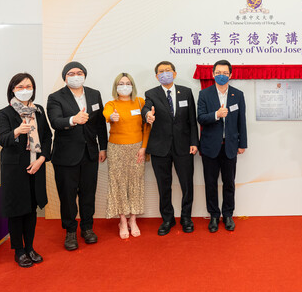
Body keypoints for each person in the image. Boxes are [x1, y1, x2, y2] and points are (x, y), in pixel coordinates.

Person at [47, 61, 108, 251]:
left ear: (84, 75)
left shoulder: (94, 94)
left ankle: (87, 228)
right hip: (66, 156)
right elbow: (56, 121)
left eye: (79, 72)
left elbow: (99, 123)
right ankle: (70, 231)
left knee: (88, 193)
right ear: (65, 77)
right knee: (67, 195)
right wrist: (73, 119)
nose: (76, 76)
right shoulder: (55, 97)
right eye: (71, 73)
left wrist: (103, 147)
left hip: (90, 153)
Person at [0, 73, 52, 267]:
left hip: (35, 165)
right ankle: (19, 251)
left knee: (31, 208)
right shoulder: (6, 113)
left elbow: (47, 137)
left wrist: (42, 159)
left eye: (28, 86)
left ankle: (30, 247)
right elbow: (2, 139)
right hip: (14, 169)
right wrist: (17, 131)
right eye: (20, 87)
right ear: (12, 89)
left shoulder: (38, 110)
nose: (25, 90)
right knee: (17, 210)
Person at [142, 61, 199, 235]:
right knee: (163, 185)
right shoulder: (151, 93)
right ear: (156, 76)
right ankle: (167, 219)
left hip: (183, 147)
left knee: (187, 184)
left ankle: (186, 217)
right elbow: (146, 108)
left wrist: (194, 142)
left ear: (174, 73)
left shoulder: (186, 92)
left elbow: (192, 120)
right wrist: (147, 115)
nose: (165, 73)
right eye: (161, 71)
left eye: (168, 71)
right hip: (160, 147)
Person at [197, 60, 247, 232]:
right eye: (218, 72)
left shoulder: (237, 94)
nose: (221, 75)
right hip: (210, 147)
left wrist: (243, 143)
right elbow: (201, 118)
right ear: (212, 74)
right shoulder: (204, 94)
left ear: (230, 75)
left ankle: (227, 215)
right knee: (210, 183)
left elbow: (242, 121)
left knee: (229, 183)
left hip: (230, 146)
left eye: (225, 73)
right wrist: (216, 115)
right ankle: (213, 215)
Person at [103, 73, 150, 239]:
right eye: (121, 83)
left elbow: (147, 127)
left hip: (137, 148)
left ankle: (133, 219)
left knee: (135, 184)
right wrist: (111, 117)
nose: (124, 86)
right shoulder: (111, 103)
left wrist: (144, 148)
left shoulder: (140, 102)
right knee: (119, 184)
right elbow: (106, 113)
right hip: (116, 149)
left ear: (132, 85)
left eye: (127, 83)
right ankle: (122, 220)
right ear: (116, 87)